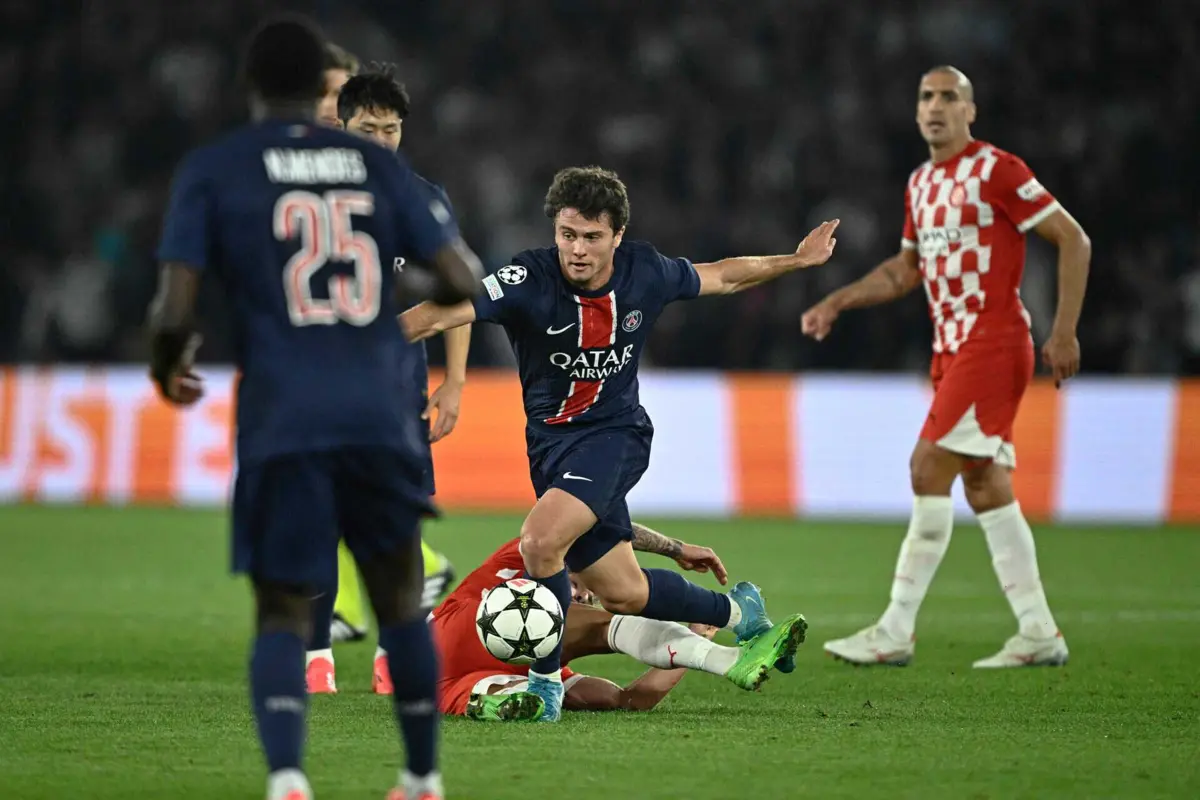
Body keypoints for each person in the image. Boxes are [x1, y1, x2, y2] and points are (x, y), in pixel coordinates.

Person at [148, 14, 483, 800]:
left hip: (283, 409)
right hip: (377, 408)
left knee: (278, 604)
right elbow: (462, 279)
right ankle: (422, 776)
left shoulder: (218, 168)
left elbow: (173, 307)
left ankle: (290, 777)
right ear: (323, 89)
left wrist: (170, 364)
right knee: (399, 599)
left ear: (252, 87)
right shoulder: (382, 171)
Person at [403, 165, 837, 720]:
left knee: (539, 542)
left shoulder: (645, 272)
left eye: (592, 237)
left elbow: (724, 276)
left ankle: (544, 687)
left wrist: (796, 261)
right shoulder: (526, 280)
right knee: (624, 593)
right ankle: (738, 611)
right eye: (567, 235)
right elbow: (442, 313)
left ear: (617, 237)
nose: (577, 250)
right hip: (551, 448)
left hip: (615, 436)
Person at [803, 66, 1091, 669]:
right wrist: (838, 299)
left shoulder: (998, 170)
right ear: (916, 113)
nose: (936, 106)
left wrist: (1064, 329)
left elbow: (1073, 239)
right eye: (926, 97)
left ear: (970, 111)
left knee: (926, 466)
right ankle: (1039, 631)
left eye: (948, 97)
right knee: (985, 486)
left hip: (994, 339)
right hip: (951, 347)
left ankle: (895, 630)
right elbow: (904, 272)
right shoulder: (920, 184)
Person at [305, 64, 472, 696]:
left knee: (397, 529)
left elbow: (463, 296)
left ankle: (392, 655)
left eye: (391, 129)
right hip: (318, 389)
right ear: (340, 126)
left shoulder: (423, 198)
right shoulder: (308, 196)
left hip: (396, 395)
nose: (380, 140)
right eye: (367, 128)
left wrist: (454, 381)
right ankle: (315, 657)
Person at [432, 526, 805, 721]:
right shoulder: (532, 551)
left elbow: (634, 701)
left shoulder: (554, 660)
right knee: (596, 623)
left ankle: (499, 703)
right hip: (460, 626)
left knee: (606, 698)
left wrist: (697, 635)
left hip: (454, 678)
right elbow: (600, 528)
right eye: (579, 585)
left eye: (583, 595)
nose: (580, 597)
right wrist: (672, 548)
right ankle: (729, 659)